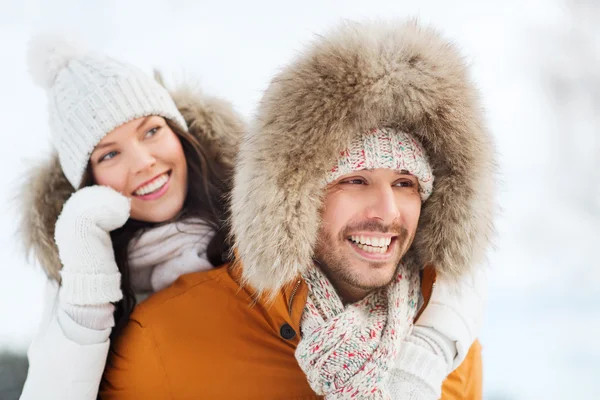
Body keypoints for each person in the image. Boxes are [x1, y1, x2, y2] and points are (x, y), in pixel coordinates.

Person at [100, 19, 495, 399]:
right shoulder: (162, 343)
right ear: (294, 197)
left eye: (405, 183)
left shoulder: (448, 345)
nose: (387, 211)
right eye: (354, 180)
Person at [18, 34, 244, 400]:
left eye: (152, 131)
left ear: (179, 135)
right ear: (89, 185)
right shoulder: (73, 287)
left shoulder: (267, 228)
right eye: (109, 155)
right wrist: (87, 294)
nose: (143, 163)